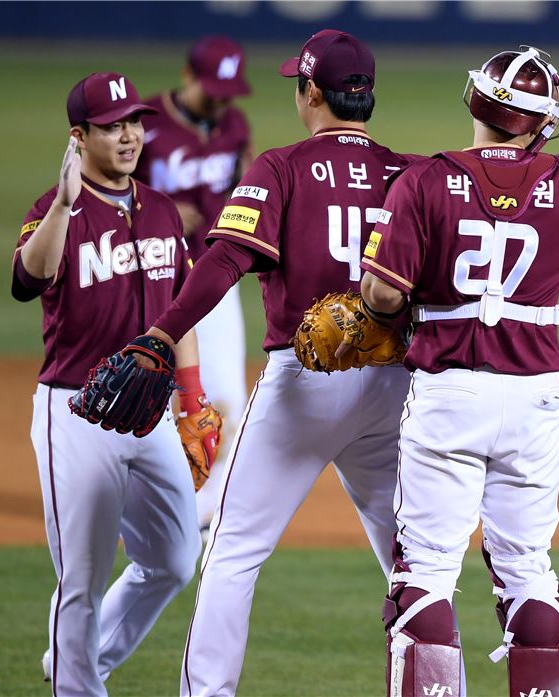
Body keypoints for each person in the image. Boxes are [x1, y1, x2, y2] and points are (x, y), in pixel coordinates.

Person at [355, 43, 559, 697]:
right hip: (533, 401)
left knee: (427, 575)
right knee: (528, 572)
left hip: (448, 393)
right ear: (542, 123)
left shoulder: (425, 181)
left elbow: (382, 296)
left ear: (474, 99)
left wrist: (386, 306)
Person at [133, 29, 420, 696]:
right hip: (396, 387)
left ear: (311, 92)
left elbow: (223, 262)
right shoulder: (410, 174)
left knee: (233, 548)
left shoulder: (282, 166)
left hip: (303, 386)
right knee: (414, 562)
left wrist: (160, 334)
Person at [12, 71, 203, 696]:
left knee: (174, 559)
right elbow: (29, 279)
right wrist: (64, 205)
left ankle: (81, 662)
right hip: (77, 411)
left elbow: (181, 311)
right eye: (111, 126)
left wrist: (192, 399)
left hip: (148, 414)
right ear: (79, 136)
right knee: (83, 577)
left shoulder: (162, 209)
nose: (129, 136)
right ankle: (76, 686)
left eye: (135, 122)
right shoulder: (53, 209)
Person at [134, 35, 253, 534]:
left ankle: (210, 505)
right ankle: (138, 500)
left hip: (213, 276)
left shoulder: (235, 126)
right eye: (213, 91)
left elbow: (247, 187)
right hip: (151, 279)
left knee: (225, 397)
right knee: (141, 393)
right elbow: (109, 196)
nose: (221, 102)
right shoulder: (145, 127)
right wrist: (156, 213)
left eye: (229, 93)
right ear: (187, 76)